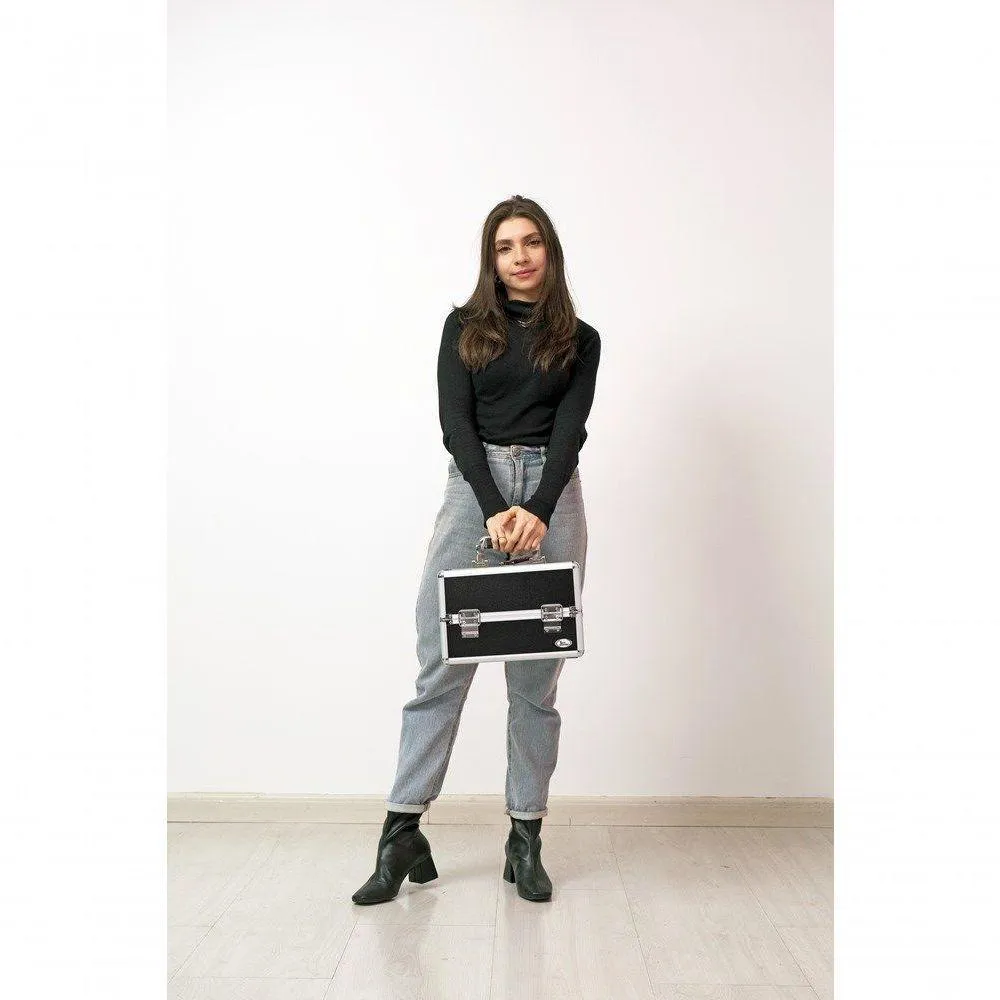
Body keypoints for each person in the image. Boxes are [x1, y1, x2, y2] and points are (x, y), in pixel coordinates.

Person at [352, 194, 601, 905]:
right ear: (491, 258)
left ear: (550, 251)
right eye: (504, 245)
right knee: (441, 664)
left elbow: (571, 430)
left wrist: (538, 511)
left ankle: (525, 837)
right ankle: (402, 830)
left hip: (553, 495)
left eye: (531, 242)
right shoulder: (463, 328)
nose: (520, 256)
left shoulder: (582, 340)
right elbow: (455, 425)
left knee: (536, 680)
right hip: (475, 491)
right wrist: (496, 509)